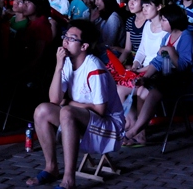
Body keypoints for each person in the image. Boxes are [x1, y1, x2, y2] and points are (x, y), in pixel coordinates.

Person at [27, 20, 124, 189]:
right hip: (83, 119)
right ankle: (51, 168)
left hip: (109, 127)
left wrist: (69, 103)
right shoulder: (67, 63)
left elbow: (100, 110)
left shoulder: (94, 67)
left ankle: (68, 179)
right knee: (42, 110)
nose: (65, 41)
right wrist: (58, 66)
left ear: (84, 46)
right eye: (65, 37)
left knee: (67, 112)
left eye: (71, 39)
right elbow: (54, 100)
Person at [123, 5, 193, 146]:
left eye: (164, 20)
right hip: (173, 78)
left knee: (154, 92)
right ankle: (140, 134)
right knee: (143, 87)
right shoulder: (167, 37)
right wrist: (145, 77)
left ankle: (134, 131)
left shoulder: (187, 37)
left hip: (191, 82)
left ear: (173, 21)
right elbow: (158, 62)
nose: (161, 22)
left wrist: (170, 52)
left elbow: (183, 66)